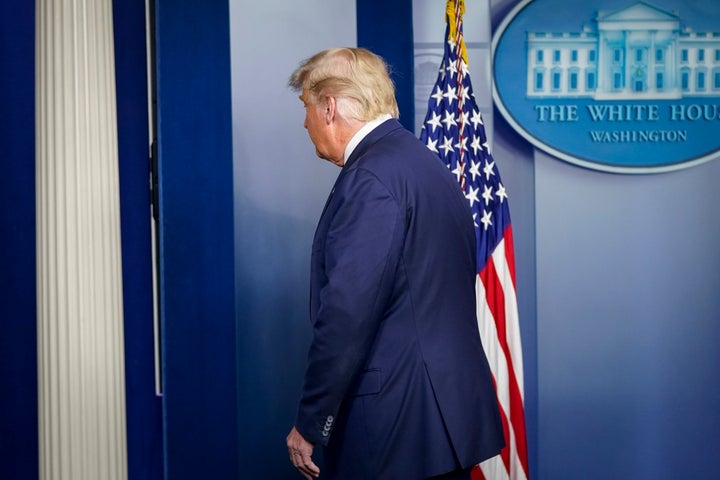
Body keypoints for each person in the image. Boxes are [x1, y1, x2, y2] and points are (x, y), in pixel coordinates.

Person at [286, 47, 504, 480]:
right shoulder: (426, 165)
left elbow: (348, 313)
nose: (304, 122)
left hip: (395, 427)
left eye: (306, 107)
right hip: (442, 421)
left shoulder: (371, 178)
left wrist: (311, 421)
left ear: (329, 107)